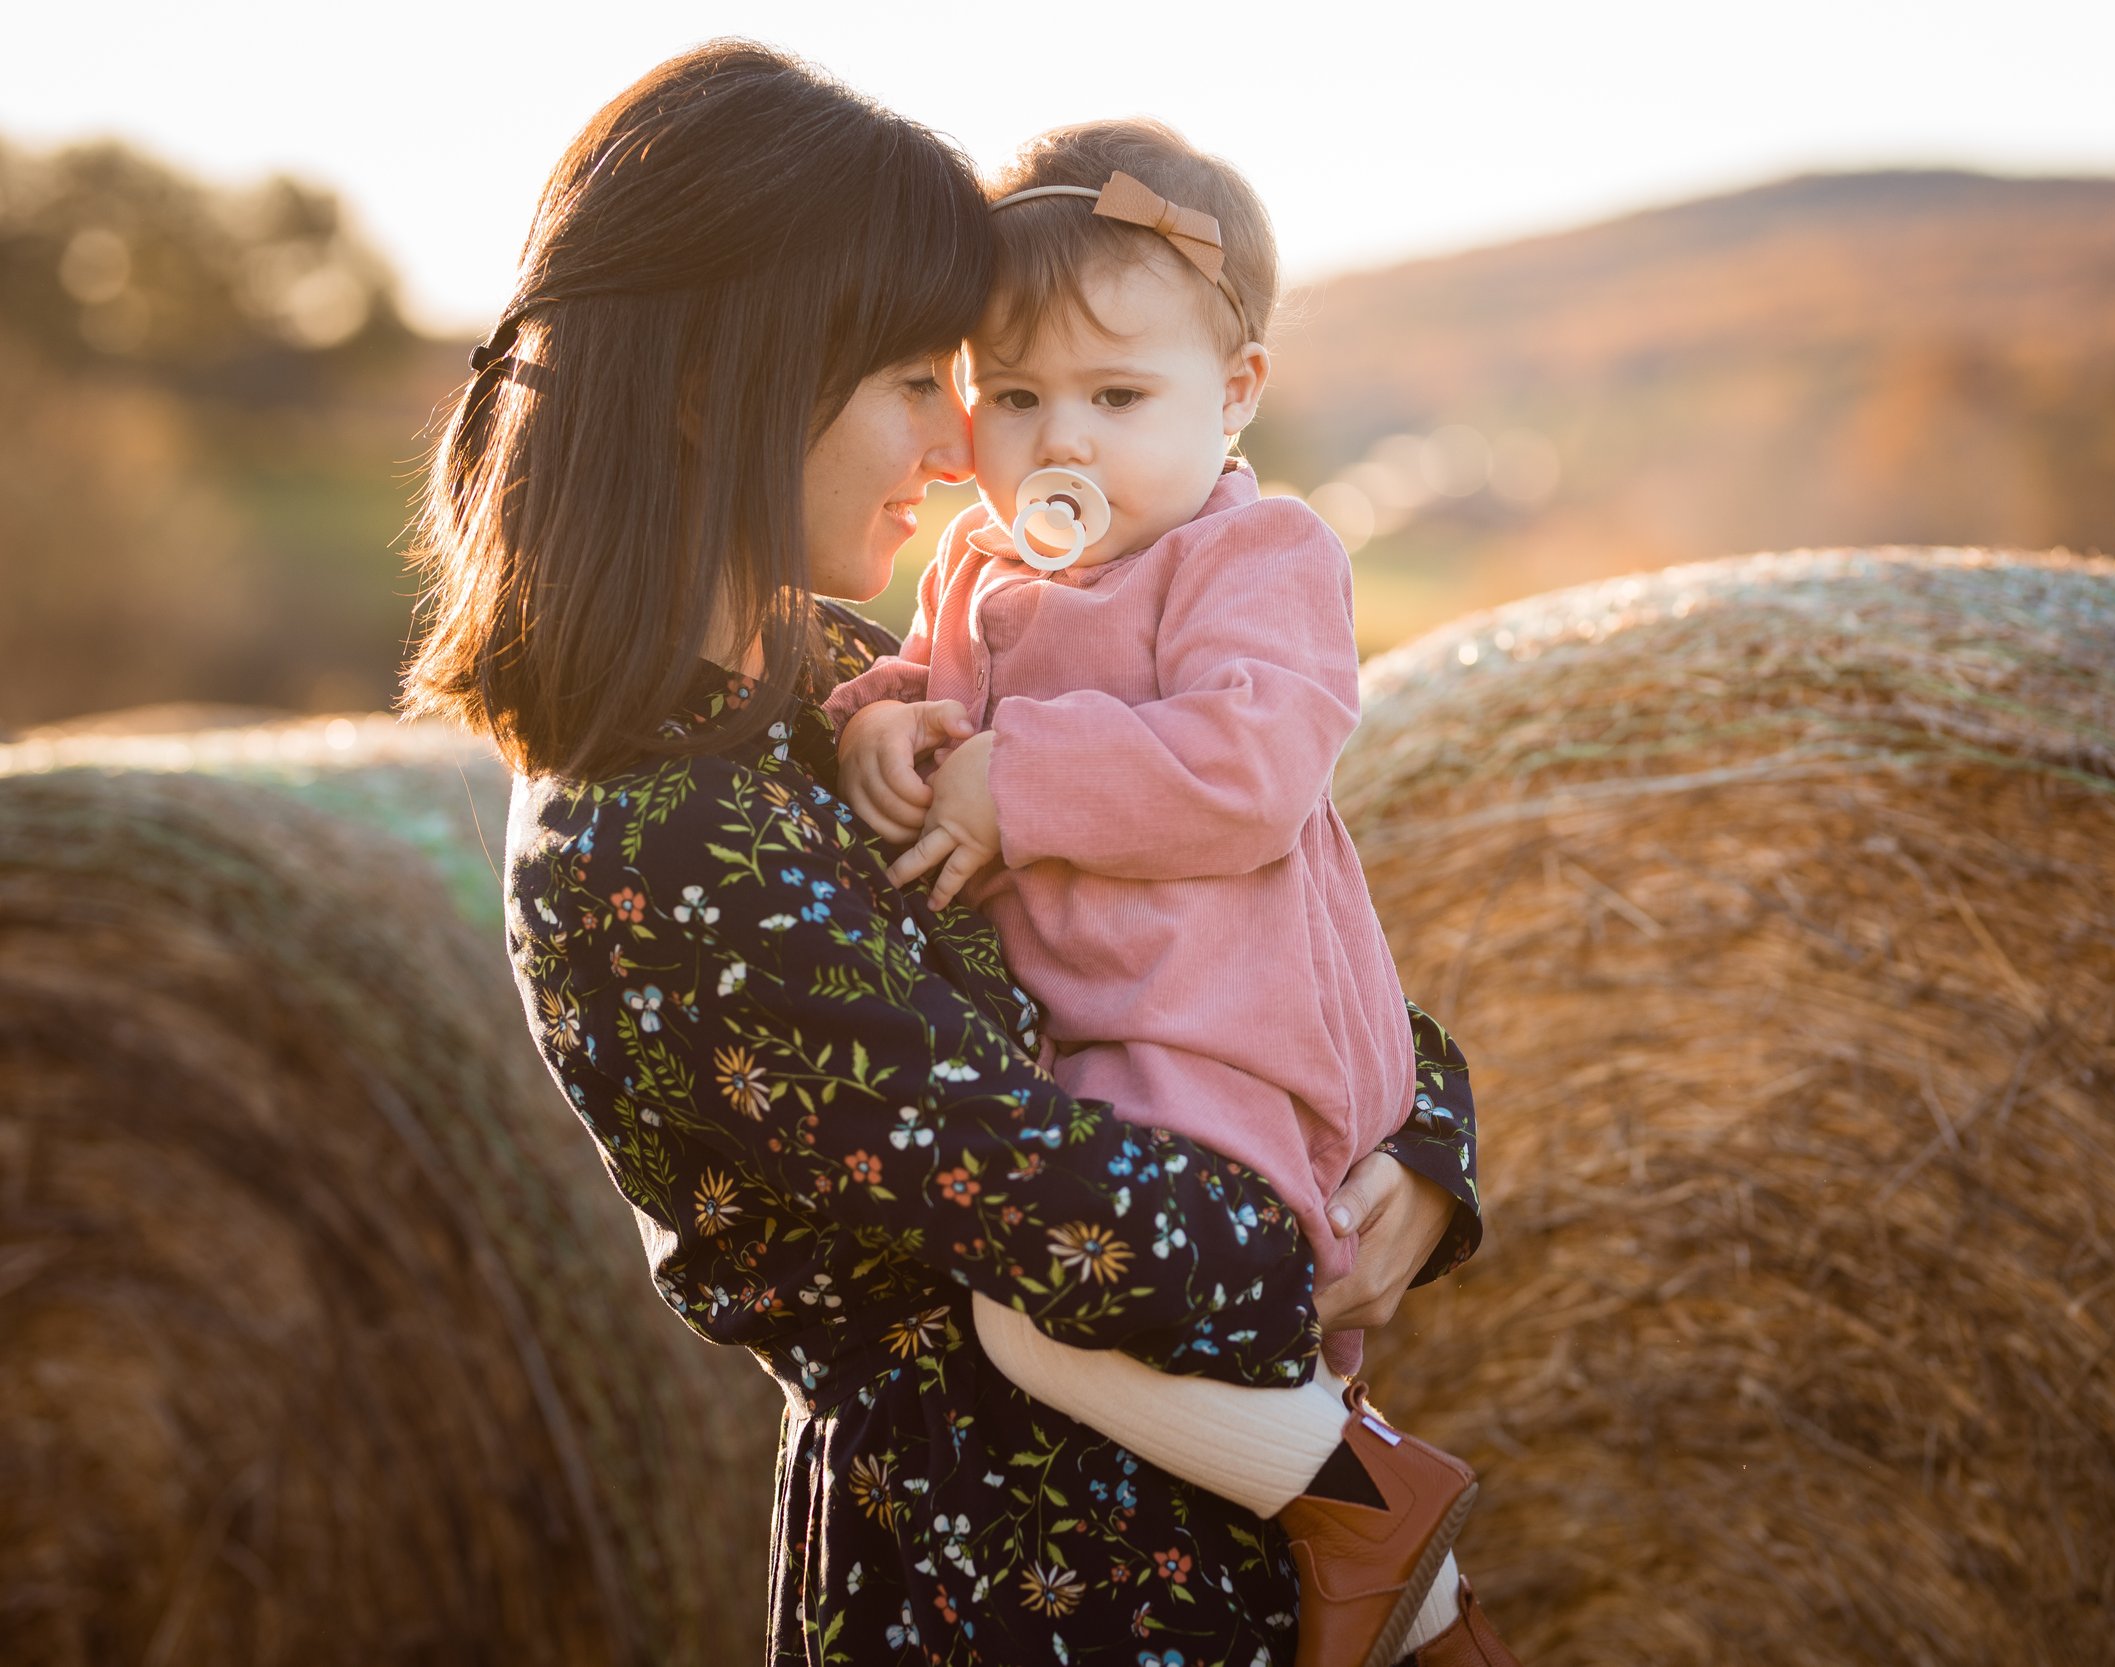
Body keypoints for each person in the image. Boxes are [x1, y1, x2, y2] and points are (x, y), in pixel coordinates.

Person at [402, 41, 1503, 1665]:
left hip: (1204, 1572)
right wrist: (1330, 1227)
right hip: (999, 1601)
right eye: (930, 381)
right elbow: (1120, 1235)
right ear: (725, 382)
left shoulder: (842, 693)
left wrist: (1421, 1153)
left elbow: (1237, 924)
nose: (965, 449)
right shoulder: (654, 847)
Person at [821, 118, 1514, 1667]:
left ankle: (1381, 1513)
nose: (1058, 445)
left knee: (1044, 1311)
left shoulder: (1253, 553)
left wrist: (1022, 775)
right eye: (1013, 398)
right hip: (1093, 1047)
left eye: (1119, 399)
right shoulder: (974, 574)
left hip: (1217, 1038)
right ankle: (1408, 1594)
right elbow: (926, 689)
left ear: (1237, 393)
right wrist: (878, 721)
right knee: (1187, 1372)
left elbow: (1255, 760)